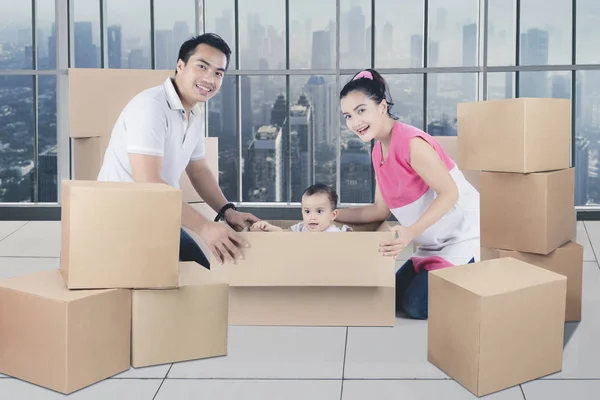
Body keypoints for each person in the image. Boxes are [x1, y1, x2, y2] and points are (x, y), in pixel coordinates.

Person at [97, 33, 259, 267]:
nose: (209, 79)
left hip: (159, 217)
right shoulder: (151, 108)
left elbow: (199, 170)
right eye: (202, 66)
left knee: (203, 274)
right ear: (180, 66)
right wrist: (204, 227)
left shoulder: (194, 114)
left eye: (218, 73)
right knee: (187, 283)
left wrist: (228, 211)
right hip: (123, 223)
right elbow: (149, 184)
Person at [336, 69, 480, 319]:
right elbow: (379, 210)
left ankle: (475, 277)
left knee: (415, 306)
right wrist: (333, 215)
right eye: (348, 116)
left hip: (460, 238)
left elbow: (450, 193)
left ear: (381, 106)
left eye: (361, 110)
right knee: (392, 301)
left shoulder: (412, 143)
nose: (355, 122)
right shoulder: (377, 152)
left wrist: (410, 232)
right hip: (429, 244)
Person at [251, 183, 351, 232]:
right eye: (307, 211)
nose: (312, 217)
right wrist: (269, 227)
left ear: (333, 215)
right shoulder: (301, 228)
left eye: (319, 211)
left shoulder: (335, 234)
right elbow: (284, 234)